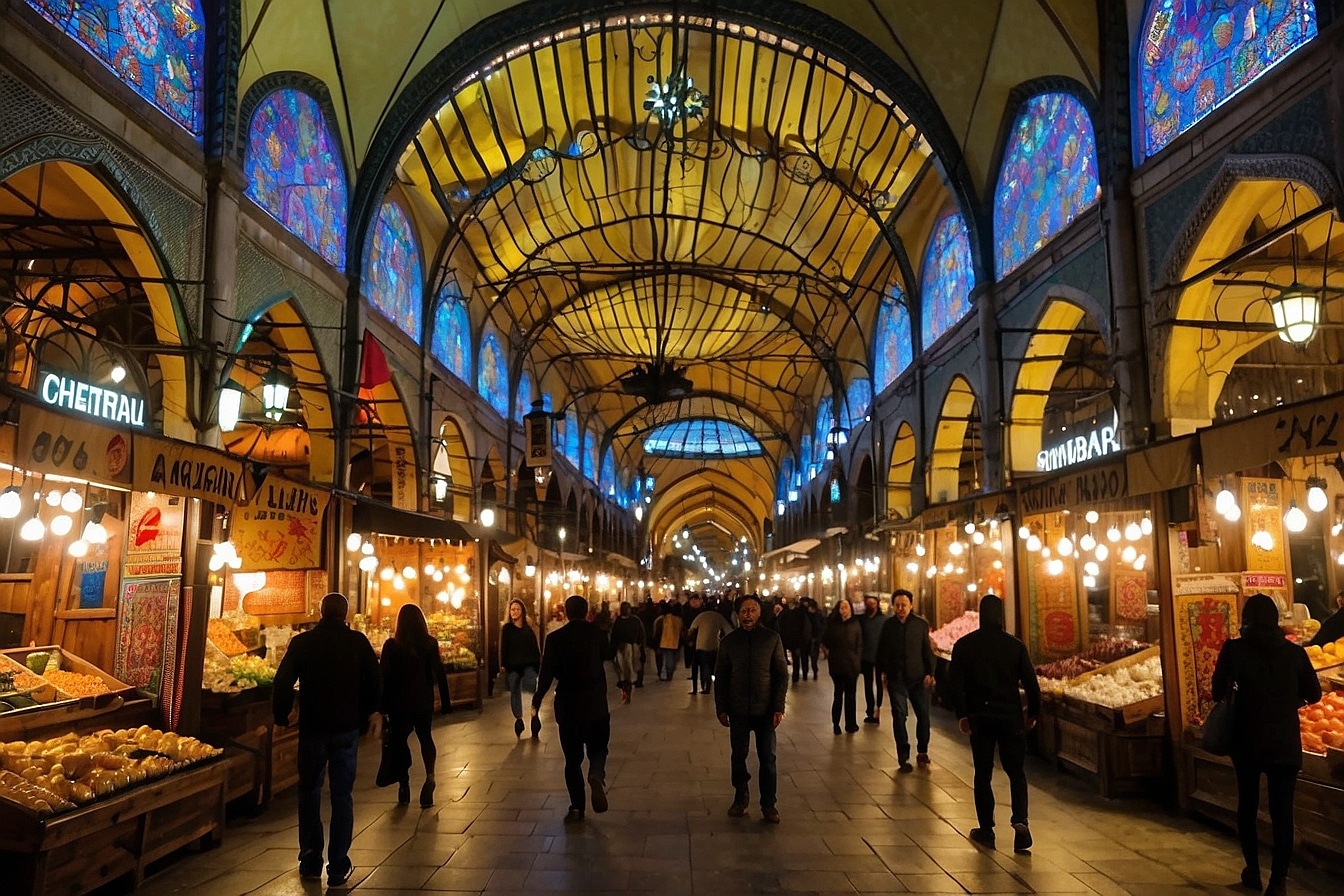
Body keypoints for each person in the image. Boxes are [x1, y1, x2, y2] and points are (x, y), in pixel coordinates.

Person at [1211, 593, 1320, 896]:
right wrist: (1288, 701)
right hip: (1285, 741)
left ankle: (1253, 871)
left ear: (1246, 619)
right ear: (1276, 621)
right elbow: (1315, 695)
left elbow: (1217, 690)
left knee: (1247, 805)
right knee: (1282, 812)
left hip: (1245, 739)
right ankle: (1278, 881)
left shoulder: (1233, 650)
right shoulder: (1295, 653)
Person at [272, 593, 380, 888]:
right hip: (346, 728)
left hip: (312, 728)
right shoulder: (357, 642)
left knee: (309, 791)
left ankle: (310, 859)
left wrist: (281, 715)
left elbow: (282, 681)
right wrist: (368, 711)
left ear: (320, 612)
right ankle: (337, 866)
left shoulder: (303, 643)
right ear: (346, 615)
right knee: (342, 796)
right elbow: (375, 680)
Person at [947, 593, 1040, 854]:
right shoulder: (1015, 646)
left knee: (983, 773)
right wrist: (1033, 713)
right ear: (1001, 615)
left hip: (980, 717)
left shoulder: (965, 645)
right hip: (1010, 717)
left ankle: (986, 829)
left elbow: (956, 684)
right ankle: (1020, 821)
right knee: (1016, 772)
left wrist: (962, 715)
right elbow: (1032, 685)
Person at [532, 595, 611, 823]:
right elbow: (609, 655)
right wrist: (625, 683)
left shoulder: (555, 639)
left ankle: (577, 806)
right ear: (587, 612)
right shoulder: (597, 634)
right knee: (599, 748)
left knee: (572, 759)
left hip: (568, 707)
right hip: (596, 704)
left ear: (566, 613)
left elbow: (546, 675)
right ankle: (596, 774)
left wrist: (537, 701)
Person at [713, 593, 788, 823]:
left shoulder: (771, 639)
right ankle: (740, 796)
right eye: (744, 611)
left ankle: (768, 804)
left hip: (765, 709)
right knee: (739, 756)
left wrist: (778, 706)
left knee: (768, 757)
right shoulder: (729, 642)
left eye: (752, 610)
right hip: (738, 709)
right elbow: (722, 676)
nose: (748, 615)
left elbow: (781, 674)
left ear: (759, 613)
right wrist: (721, 708)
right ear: (738, 614)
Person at [379, 603, 451, 808]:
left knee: (399, 742)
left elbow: (383, 676)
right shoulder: (429, 643)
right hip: (422, 700)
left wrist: (380, 707)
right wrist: (446, 702)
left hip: (398, 703)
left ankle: (404, 783)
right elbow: (439, 673)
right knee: (425, 738)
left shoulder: (391, 645)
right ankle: (430, 776)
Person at [876, 589, 936, 772]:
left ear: (911, 605)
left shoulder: (920, 625)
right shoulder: (889, 626)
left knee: (923, 715)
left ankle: (922, 750)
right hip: (896, 678)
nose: (900, 608)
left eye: (904, 605)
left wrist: (930, 673)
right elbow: (882, 651)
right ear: (893, 606)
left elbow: (927, 651)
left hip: (918, 677)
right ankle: (903, 755)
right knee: (899, 716)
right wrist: (882, 672)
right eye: (897, 605)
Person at [499, 598, 543, 739]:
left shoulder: (528, 629)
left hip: (529, 665)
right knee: (514, 690)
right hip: (513, 666)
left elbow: (534, 647)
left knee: (531, 688)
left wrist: (537, 664)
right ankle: (519, 719)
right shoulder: (506, 629)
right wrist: (503, 664)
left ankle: (534, 714)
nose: (515, 612)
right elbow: (503, 647)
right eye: (512, 609)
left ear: (522, 611)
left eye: (517, 609)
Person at [820, 598, 862, 734]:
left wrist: (857, 660)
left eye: (846, 607)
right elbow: (825, 641)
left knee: (851, 696)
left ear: (850, 608)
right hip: (837, 665)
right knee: (838, 694)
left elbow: (859, 644)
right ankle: (836, 723)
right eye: (841, 608)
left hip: (851, 665)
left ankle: (851, 724)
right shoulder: (833, 625)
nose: (844, 610)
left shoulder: (855, 624)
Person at [687, 599, 734, 694]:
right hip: (714, 646)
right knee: (710, 667)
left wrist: (690, 640)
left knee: (699, 667)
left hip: (700, 646)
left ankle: (696, 688)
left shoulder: (701, 616)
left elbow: (691, 629)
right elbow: (729, 630)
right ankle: (708, 688)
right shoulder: (718, 617)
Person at [609, 600, 646, 703]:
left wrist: (641, 648)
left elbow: (641, 635)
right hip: (621, 649)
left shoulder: (634, 621)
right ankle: (625, 692)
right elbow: (614, 636)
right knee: (622, 673)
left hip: (632, 649)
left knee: (629, 672)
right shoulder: (619, 621)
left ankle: (627, 693)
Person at [857, 595, 887, 724]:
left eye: (873, 603)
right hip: (866, 658)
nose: (871, 605)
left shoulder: (884, 620)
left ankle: (877, 710)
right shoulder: (861, 620)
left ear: (877, 604)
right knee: (868, 685)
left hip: (880, 657)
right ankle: (870, 710)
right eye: (868, 603)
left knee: (879, 685)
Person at [777, 597, 815, 682]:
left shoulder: (786, 614)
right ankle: (802, 674)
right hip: (799, 639)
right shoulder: (801, 614)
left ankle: (796, 675)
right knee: (801, 657)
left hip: (794, 639)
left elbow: (781, 626)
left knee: (797, 658)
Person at [653, 603, 683, 681]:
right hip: (675, 643)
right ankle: (668, 674)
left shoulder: (663, 619)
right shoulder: (678, 620)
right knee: (671, 660)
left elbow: (658, 632)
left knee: (664, 659)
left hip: (664, 642)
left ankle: (664, 674)